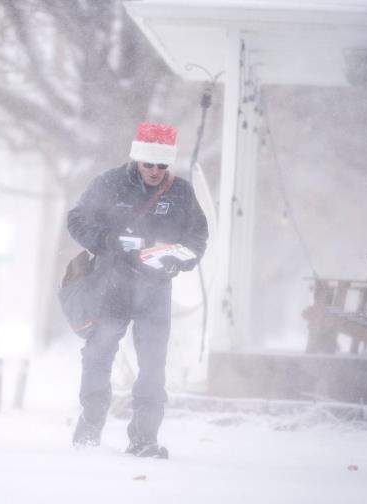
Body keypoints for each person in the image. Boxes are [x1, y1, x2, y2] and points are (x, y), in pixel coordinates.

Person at [66, 122, 209, 459]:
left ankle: (144, 439)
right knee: (99, 354)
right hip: (111, 285)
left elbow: (198, 236)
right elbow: (76, 219)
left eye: (163, 166)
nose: (156, 172)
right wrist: (105, 241)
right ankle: (90, 422)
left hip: (155, 289)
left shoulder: (181, 192)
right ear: (137, 160)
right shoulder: (109, 183)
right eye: (150, 165)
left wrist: (180, 261)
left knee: (153, 364)